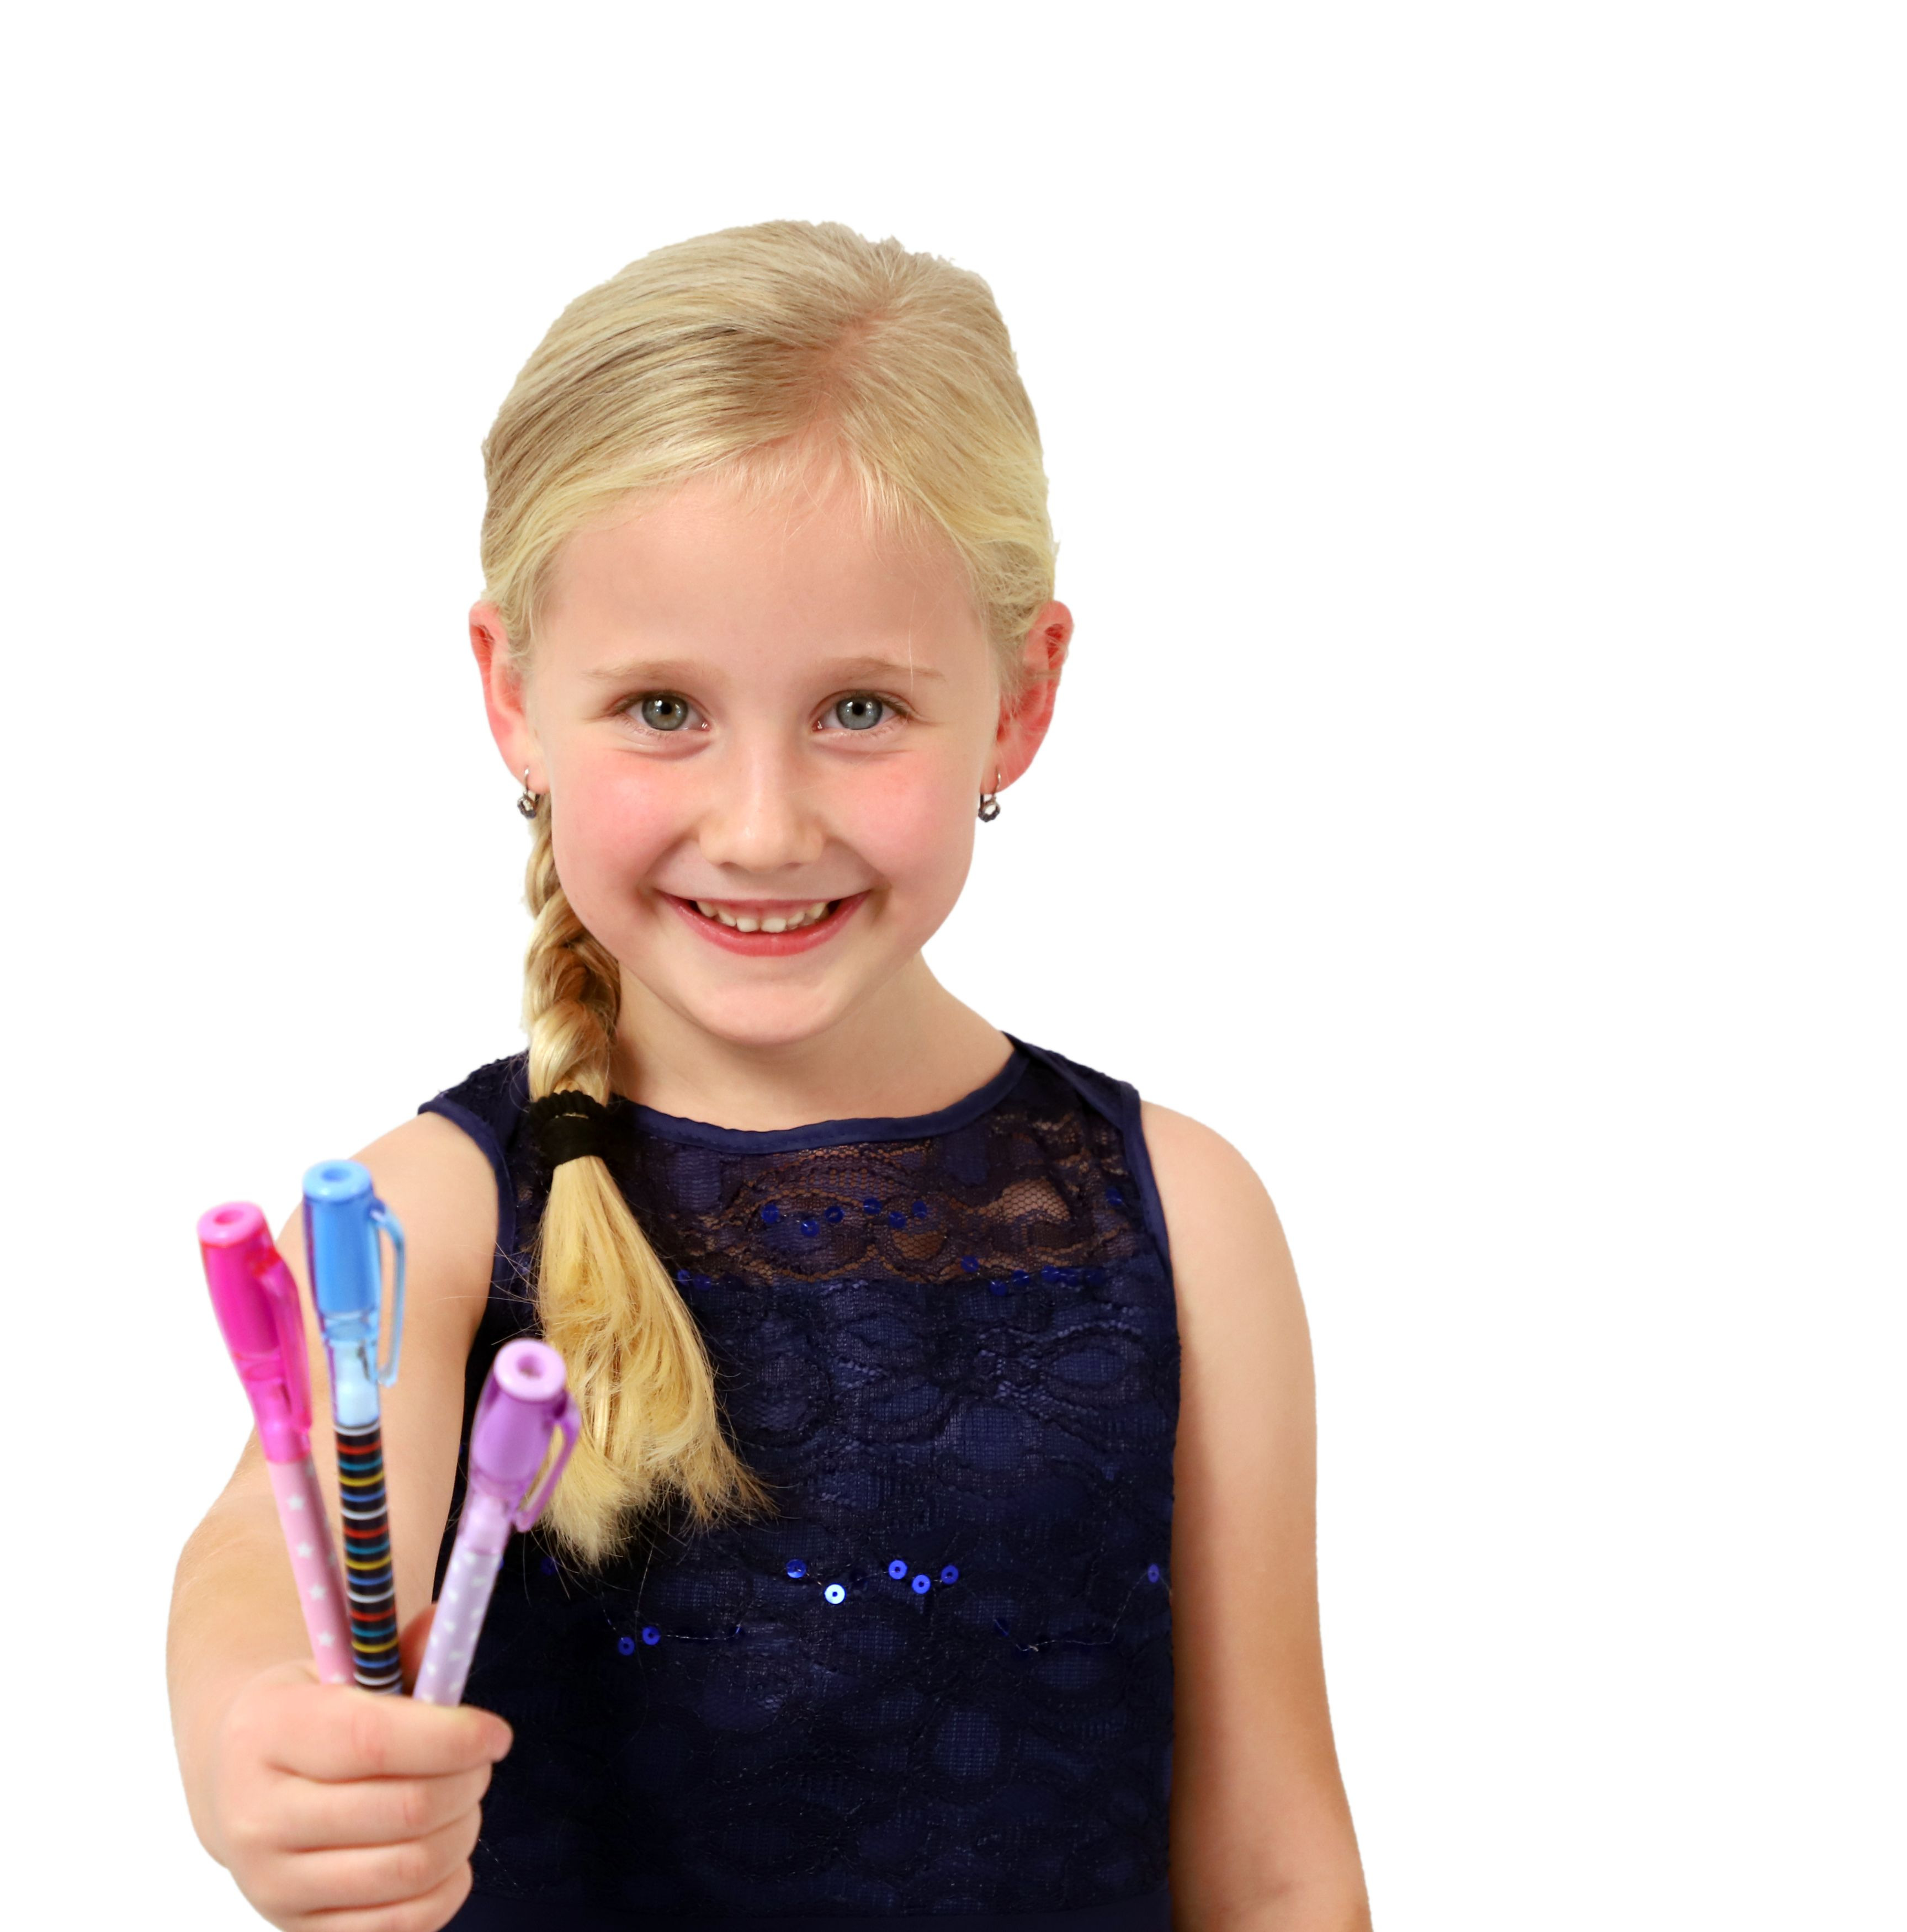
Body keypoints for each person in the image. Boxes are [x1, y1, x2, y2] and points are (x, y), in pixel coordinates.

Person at [167, 221, 1370, 1932]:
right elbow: (261, 1546)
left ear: (1019, 698)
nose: (757, 824)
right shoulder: (430, 1215)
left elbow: (1272, 1860)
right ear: (512, 694)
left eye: (857, 710)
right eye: (663, 707)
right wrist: (256, 1732)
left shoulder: (1182, 1217)